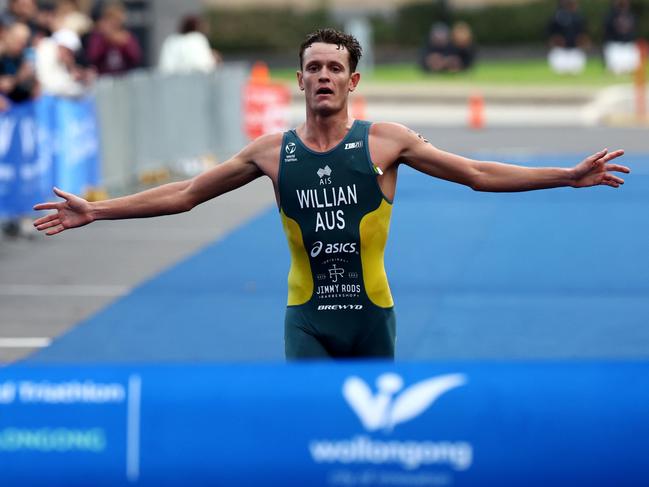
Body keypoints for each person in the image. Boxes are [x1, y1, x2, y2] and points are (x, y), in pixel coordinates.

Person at [32, 28, 630, 360]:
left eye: (334, 68)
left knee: (368, 448)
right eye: (313, 67)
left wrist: (565, 175)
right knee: (310, 440)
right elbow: (187, 193)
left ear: (353, 80)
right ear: (299, 80)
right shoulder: (271, 152)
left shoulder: (387, 143)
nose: (323, 76)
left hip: (372, 318)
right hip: (307, 323)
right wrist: (97, 209)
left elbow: (475, 171)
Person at [85, 0, 140, 75]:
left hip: (124, 78)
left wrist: (124, 44)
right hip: (104, 79)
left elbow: (136, 58)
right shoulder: (99, 36)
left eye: (117, 18)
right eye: (111, 17)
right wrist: (106, 40)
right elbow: (92, 57)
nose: (114, 22)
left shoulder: (127, 36)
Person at [547, 0, 590, 75]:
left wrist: (584, 42)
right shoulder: (557, 16)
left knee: (576, 70)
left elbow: (583, 34)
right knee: (561, 70)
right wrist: (555, 41)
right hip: (561, 51)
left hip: (575, 50)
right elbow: (551, 33)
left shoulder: (579, 17)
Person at [603, 0, 640, 75]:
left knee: (632, 68)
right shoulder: (611, 16)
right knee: (615, 70)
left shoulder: (631, 15)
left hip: (628, 46)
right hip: (615, 46)